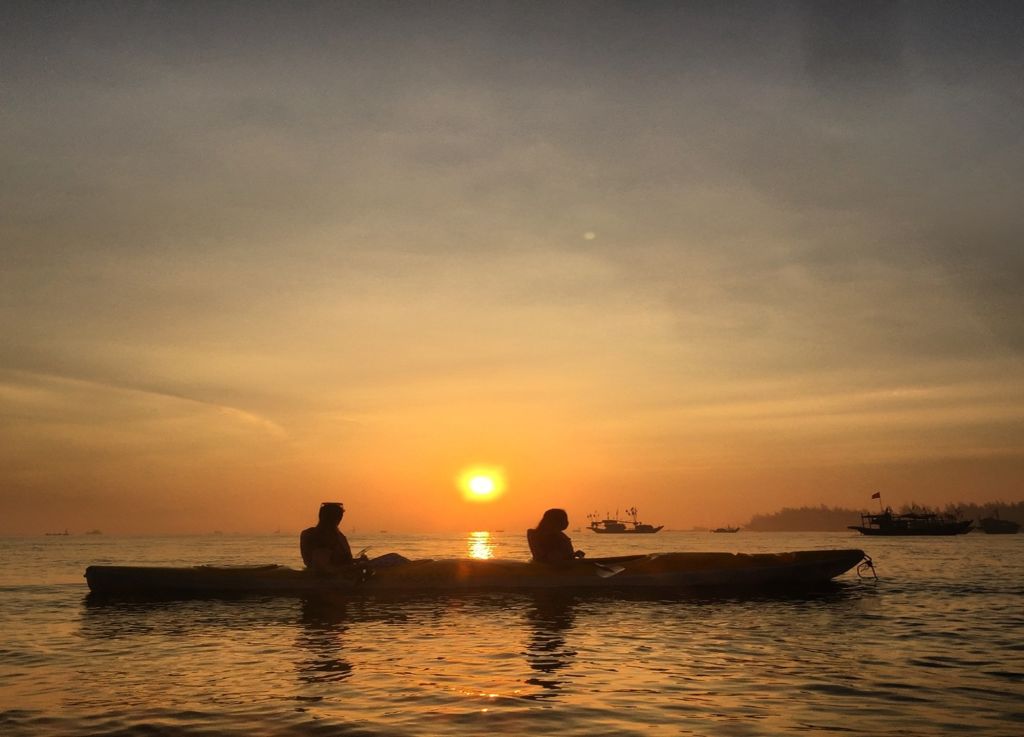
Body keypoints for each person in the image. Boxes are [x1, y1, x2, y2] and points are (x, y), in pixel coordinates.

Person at [301, 502, 355, 572]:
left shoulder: (339, 535)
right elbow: (322, 568)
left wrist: (358, 561)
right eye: (337, 517)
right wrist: (351, 568)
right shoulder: (318, 536)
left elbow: (341, 561)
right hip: (327, 577)